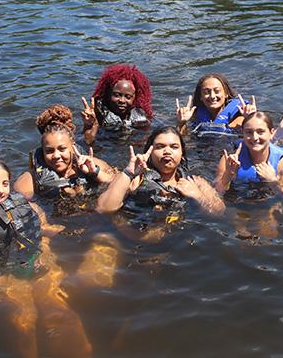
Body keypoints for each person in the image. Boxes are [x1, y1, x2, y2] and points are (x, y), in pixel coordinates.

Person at [0, 159, 92, 358]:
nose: (0, 190)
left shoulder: (19, 202)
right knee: (24, 322)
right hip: (2, 274)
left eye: (5, 183)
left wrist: (65, 234)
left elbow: (42, 227)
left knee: (62, 316)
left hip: (37, 265)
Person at [96, 126, 225, 234]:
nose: (167, 151)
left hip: (178, 242)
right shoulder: (135, 178)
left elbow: (220, 212)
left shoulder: (195, 181)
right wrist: (128, 174)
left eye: (174, 147)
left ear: (182, 154)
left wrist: (197, 195)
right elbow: (103, 208)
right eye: (160, 147)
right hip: (137, 237)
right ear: (150, 152)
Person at [14, 104, 115, 219]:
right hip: (58, 222)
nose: (56, 156)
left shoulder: (94, 164)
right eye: (49, 151)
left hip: (95, 217)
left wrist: (96, 172)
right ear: (42, 150)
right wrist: (44, 224)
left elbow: (120, 183)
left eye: (62, 149)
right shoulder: (30, 179)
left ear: (72, 146)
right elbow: (18, 204)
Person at [215, 111, 283, 197]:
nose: (255, 138)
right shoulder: (229, 159)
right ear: (243, 133)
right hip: (236, 203)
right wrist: (228, 174)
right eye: (249, 132)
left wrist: (272, 181)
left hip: (268, 206)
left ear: (271, 132)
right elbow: (217, 192)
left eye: (260, 132)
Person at [80, 64, 153, 145]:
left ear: (135, 98)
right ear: (107, 94)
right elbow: (87, 143)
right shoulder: (97, 117)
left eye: (128, 97)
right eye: (116, 95)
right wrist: (89, 125)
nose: (122, 100)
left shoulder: (141, 115)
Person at [175, 73, 257, 136]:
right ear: (201, 97)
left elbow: (249, 140)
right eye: (206, 92)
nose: (212, 96)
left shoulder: (238, 117)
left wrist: (250, 119)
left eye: (217, 91)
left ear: (226, 94)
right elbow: (184, 141)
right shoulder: (195, 116)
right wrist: (181, 123)